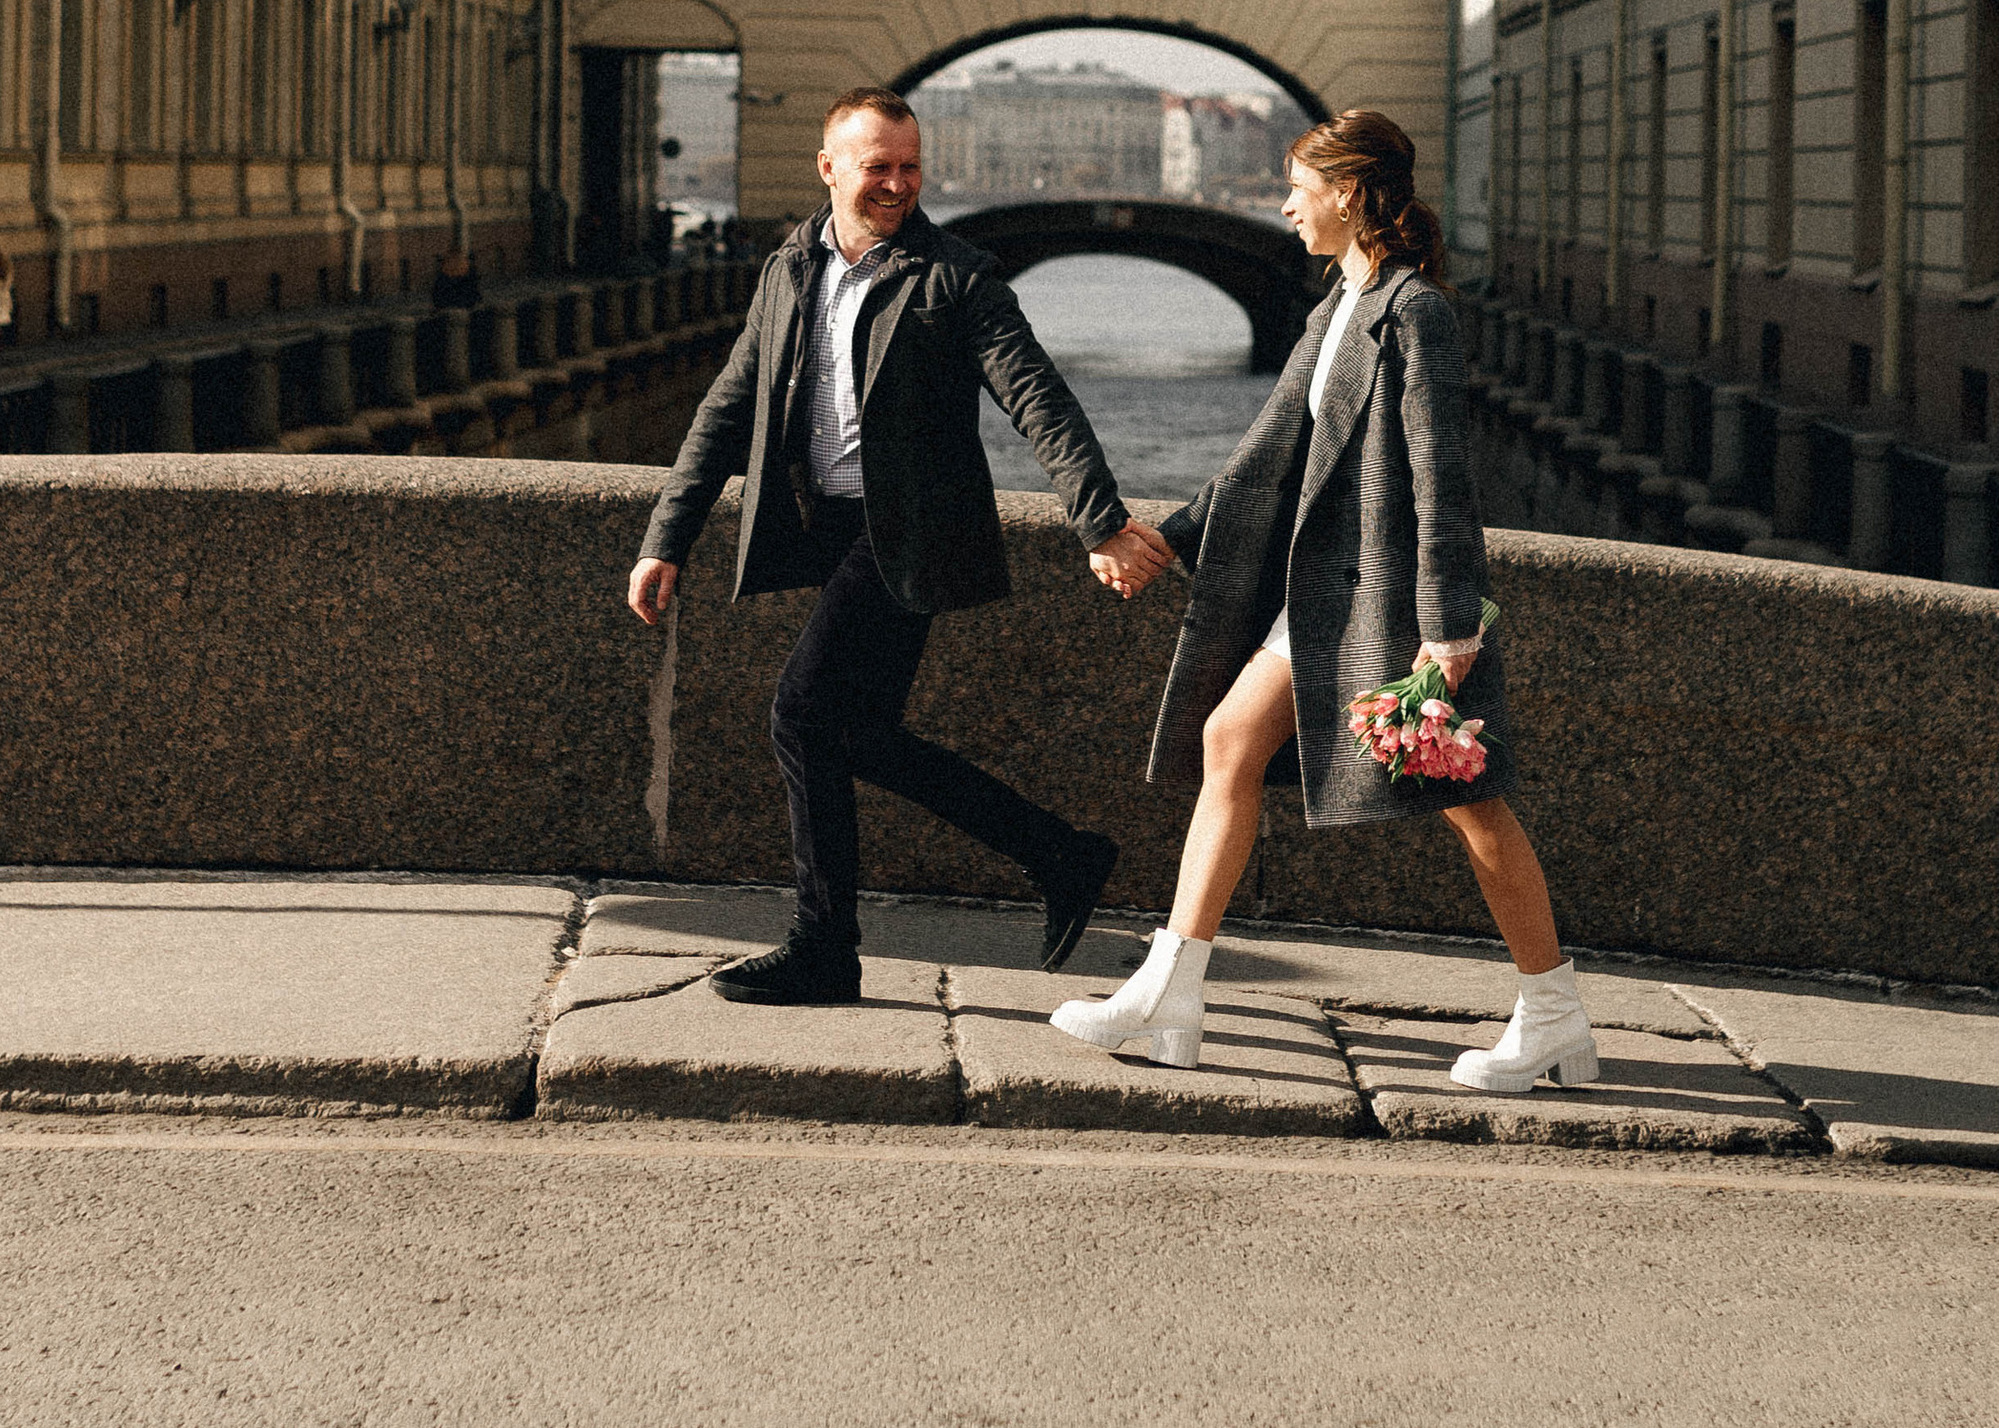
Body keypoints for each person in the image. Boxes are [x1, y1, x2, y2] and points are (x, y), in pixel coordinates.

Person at [1049, 107, 1595, 1096]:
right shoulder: (1333, 304)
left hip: (1389, 604)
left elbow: (1441, 476)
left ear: (1348, 191)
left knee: (1471, 805)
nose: (1284, 204)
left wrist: (1448, 625)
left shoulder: (1411, 309)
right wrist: (1159, 538)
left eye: (1297, 185)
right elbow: (1260, 459)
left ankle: (1553, 1013)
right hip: (1317, 599)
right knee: (1228, 742)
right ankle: (1170, 992)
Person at [625, 86, 1166, 1005]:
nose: (898, 184)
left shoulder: (953, 276)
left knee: (799, 713)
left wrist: (1099, 517)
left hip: (907, 534)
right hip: (828, 530)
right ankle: (1060, 853)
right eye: (878, 167)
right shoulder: (789, 266)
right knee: (855, 734)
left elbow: (1036, 396)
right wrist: (666, 537)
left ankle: (826, 945)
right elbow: (728, 405)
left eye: (911, 167)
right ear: (830, 167)